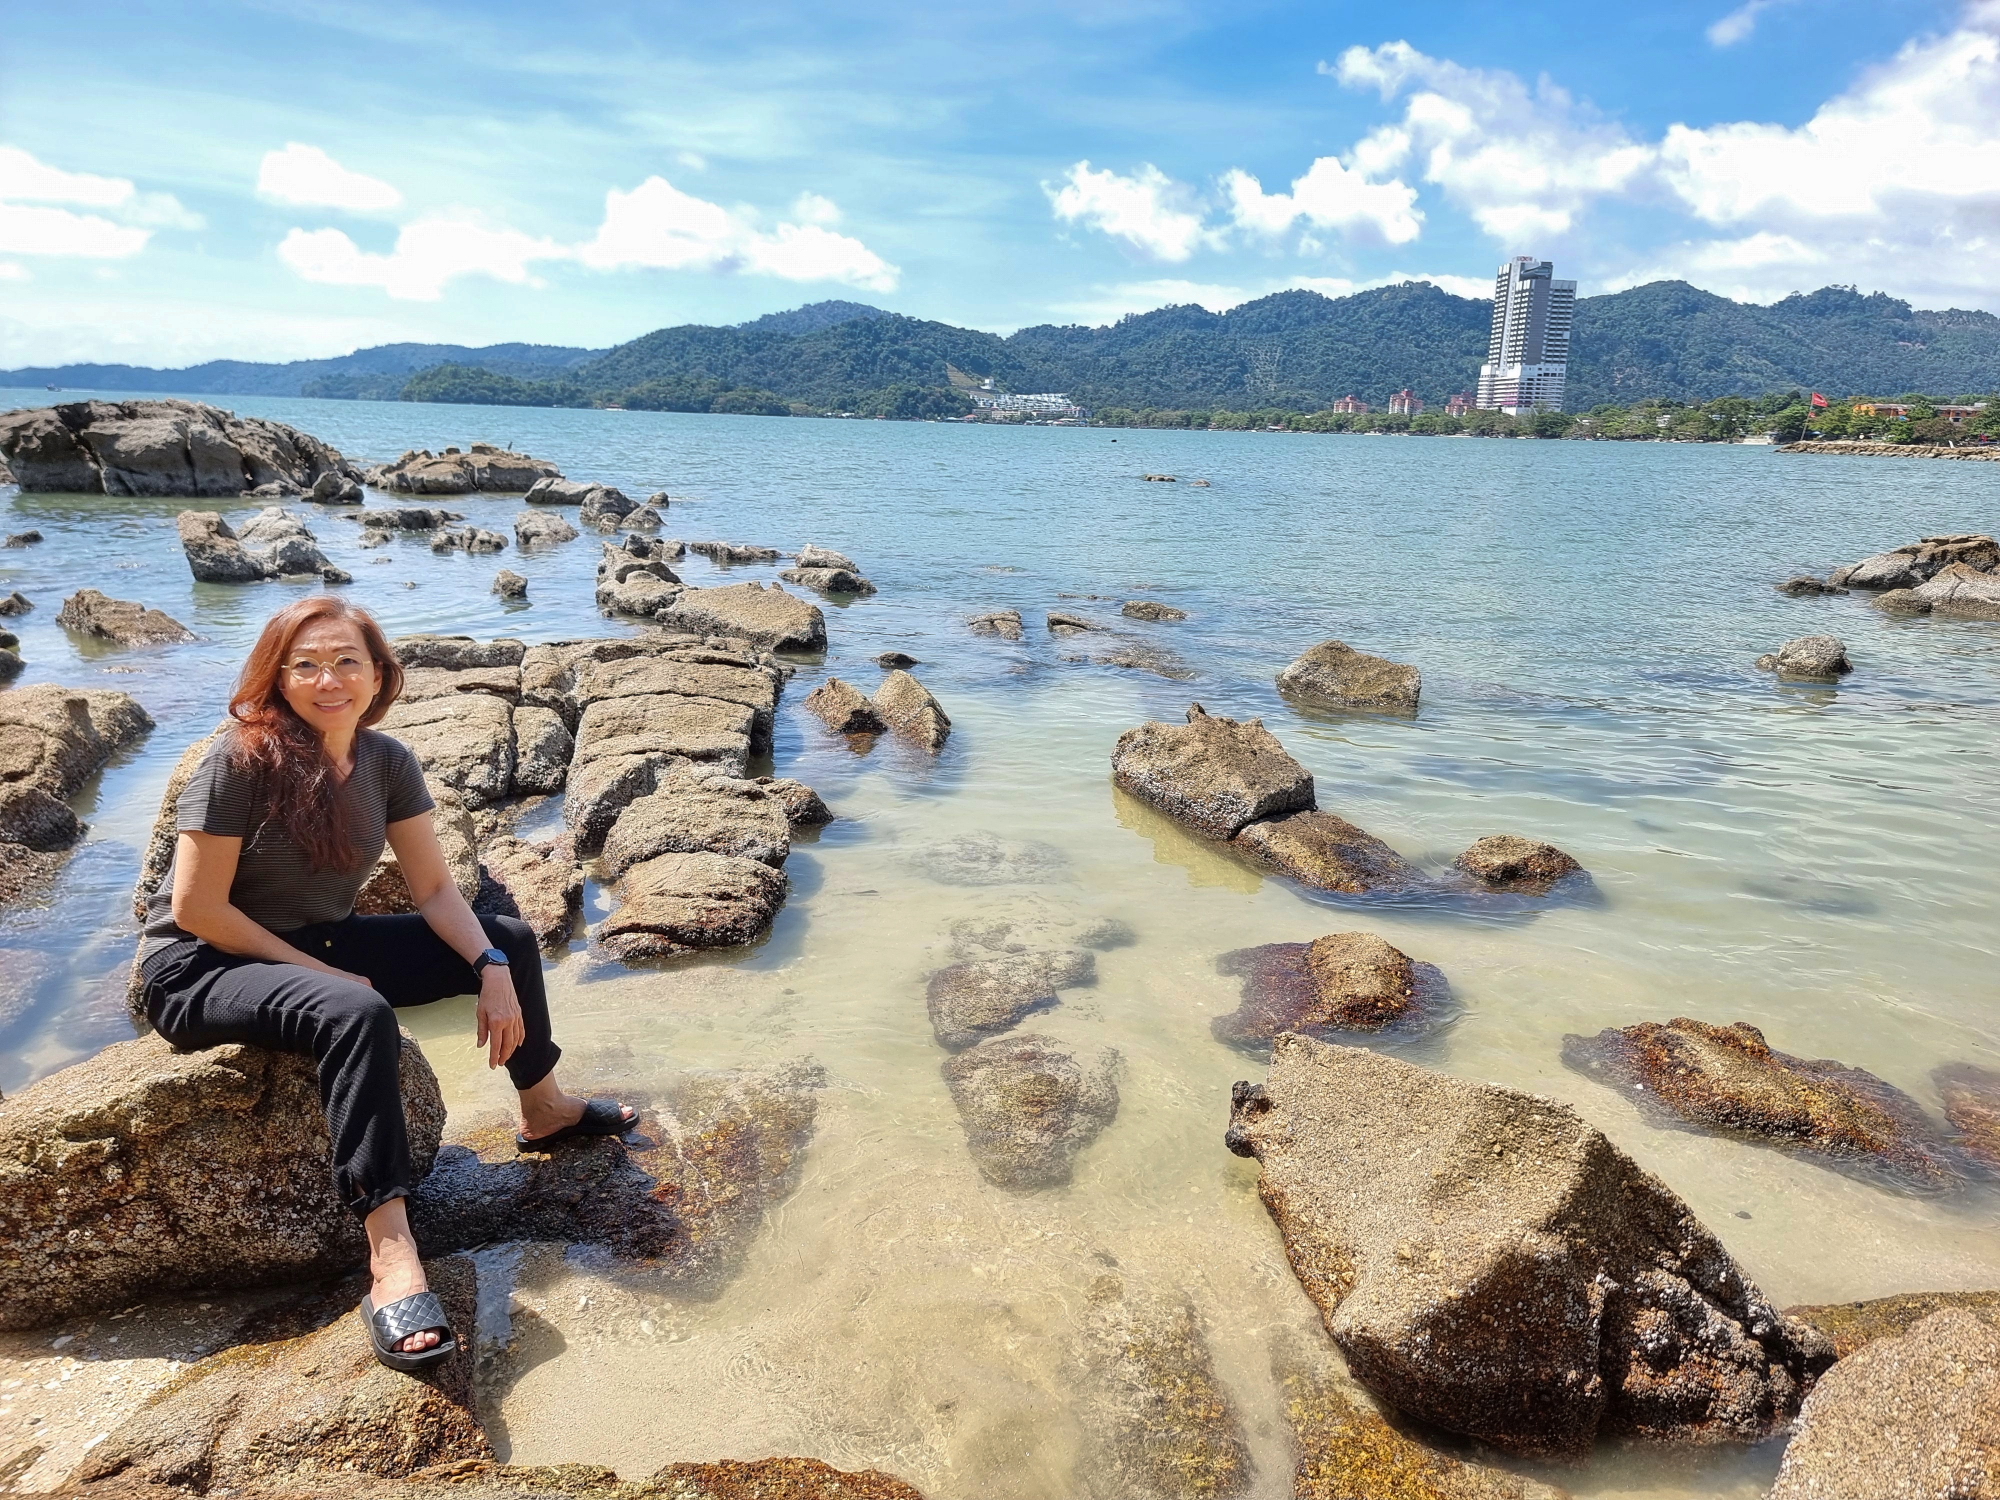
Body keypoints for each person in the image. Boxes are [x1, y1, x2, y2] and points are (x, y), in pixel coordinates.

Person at [137, 596, 633, 1371]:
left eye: (346, 661)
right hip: (200, 965)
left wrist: (490, 969)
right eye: (305, 664)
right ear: (278, 677)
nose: (327, 679)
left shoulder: (387, 763)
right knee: (355, 1008)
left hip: (314, 938)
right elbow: (198, 908)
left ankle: (544, 1108)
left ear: (378, 675)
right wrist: (320, 972)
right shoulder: (238, 762)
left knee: (507, 937)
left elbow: (435, 890)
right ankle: (392, 1256)